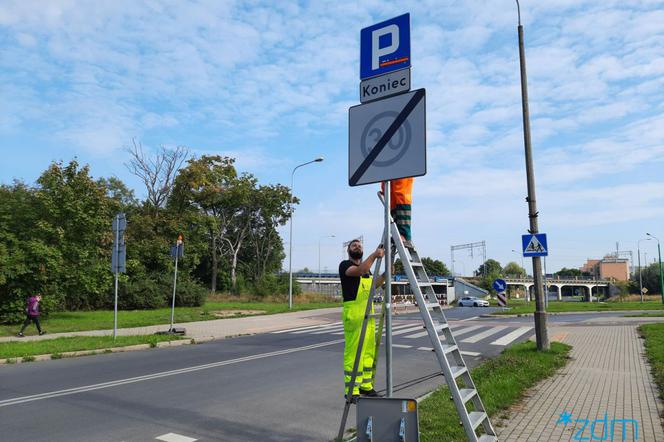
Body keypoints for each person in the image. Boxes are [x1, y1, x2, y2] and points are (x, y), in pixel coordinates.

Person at [339, 239, 385, 402]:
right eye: (354, 245)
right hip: (355, 315)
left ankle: (365, 386)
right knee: (354, 353)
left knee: (368, 352)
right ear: (349, 251)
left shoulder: (367, 271)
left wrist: (385, 275)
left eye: (359, 245)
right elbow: (359, 270)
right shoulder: (345, 265)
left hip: (368, 314)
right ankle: (351, 390)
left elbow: (374, 285)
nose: (357, 247)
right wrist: (374, 255)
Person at [380, 178, 414, 248]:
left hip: (403, 168)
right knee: (389, 194)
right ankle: (397, 232)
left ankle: (404, 234)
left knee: (401, 191)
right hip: (389, 170)